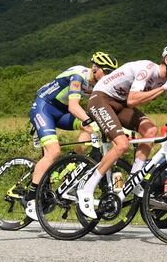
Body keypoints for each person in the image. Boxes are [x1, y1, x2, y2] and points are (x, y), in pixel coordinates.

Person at [81, 43, 167, 219]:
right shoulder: (146, 69)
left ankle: (134, 180)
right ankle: (87, 189)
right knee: (122, 145)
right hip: (101, 98)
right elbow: (132, 100)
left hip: (119, 103)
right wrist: (163, 87)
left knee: (151, 130)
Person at [24, 51, 119, 220]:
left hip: (60, 113)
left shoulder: (97, 84)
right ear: (95, 68)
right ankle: (31, 198)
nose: (109, 76)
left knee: (93, 130)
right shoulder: (78, 76)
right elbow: (74, 107)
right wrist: (90, 121)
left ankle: (78, 161)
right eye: (107, 72)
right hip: (43, 108)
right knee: (53, 151)